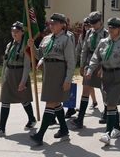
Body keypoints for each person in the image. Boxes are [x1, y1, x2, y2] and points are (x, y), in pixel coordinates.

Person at [86, 17, 120, 146]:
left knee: (110, 104)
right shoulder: (103, 42)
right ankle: (117, 129)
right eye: (109, 27)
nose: (111, 30)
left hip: (118, 75)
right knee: (110, 103)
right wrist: (90, 69)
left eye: (114, 27)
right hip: (105, 75)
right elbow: (95, 57)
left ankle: (107, 133)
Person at [28, 13, 75, 146]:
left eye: (54, 23)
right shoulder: (47, 38)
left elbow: (71, 62)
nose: (51, 25)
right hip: (48, 72)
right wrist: (32, 47)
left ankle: (40, 135)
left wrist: (67, 80)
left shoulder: (66, 39)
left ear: (62, 25)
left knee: (50, 102)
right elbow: (39, 55)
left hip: (59, 71)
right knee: (55, 102)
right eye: (50, 23)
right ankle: (64, 129)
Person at [0, 21, 36, 138]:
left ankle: (31, 119)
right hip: (9, 73)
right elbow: (5, 62)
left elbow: (27, 65)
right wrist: (2, 77)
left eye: (17, 31)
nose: (14, 33)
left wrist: (23, 81)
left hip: (20, 74)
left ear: (22, 32)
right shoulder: (9, 45)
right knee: (5, 100)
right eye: (12, 31)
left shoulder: (26, 46)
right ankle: (1, 128)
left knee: (23, 98)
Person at [71, 11, 108, 128]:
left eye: (94, 23)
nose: (92, 25)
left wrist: (103, 66)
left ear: (100, 21)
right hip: (89, 62)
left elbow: (107, 52)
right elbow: (84, 50)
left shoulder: (106, 34)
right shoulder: (88, 33)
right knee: (85, 89)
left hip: (101, 63)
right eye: (91, 23)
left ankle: (106, 112)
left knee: (104, 90)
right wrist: (82, 66)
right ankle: (80, 118)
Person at [73, 18, 98, 112]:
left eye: (89, 25)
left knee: (102, 85)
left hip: (97, 61)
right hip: (87, 62)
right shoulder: (82, 36)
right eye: (85, 25)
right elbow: (78, 49)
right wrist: (77, 62)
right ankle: (92, 102)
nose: (87, 27)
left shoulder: (97, 34)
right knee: (87, 83)